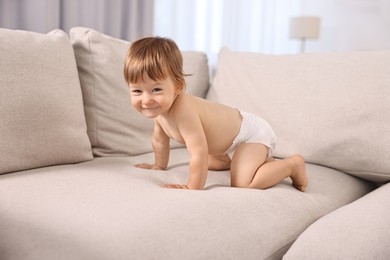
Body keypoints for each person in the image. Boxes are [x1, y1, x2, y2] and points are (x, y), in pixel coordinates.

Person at [124, 36, 308, 192]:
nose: (146, 100)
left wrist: (192, 187)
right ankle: (247, 160)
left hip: (251, 134)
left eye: (156, 90)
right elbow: (159, 140)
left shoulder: (184, 112)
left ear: (178, 87)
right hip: (227, 144)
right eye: (137, 91)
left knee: (242, 183)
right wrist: (159, 166)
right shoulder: (160, 111)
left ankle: (292, 165)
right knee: (213, 164)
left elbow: (199, 153)